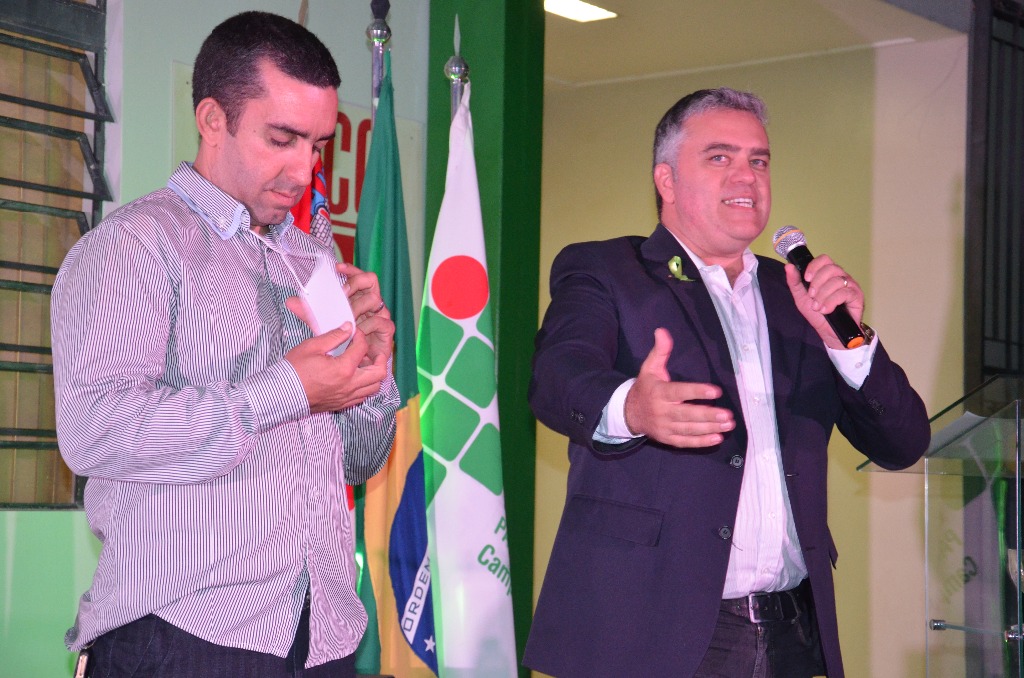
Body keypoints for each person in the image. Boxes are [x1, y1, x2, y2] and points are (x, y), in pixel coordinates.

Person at [523, 87, 930, 678]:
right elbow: (558, 376)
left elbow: (904, 442)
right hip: (651, 630)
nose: (747, 176)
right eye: (720, 157)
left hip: (792, 630)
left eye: (759, 160)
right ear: (666, 180)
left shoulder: (798, 298)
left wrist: (847, 342)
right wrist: (631, 408)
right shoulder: (607, 270)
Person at [51, 12, 398, 677]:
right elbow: (94, 433)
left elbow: (358, 460)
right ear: (213, 119)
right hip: (183, 636)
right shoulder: (134, 247)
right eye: (282, 139)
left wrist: (373, 373)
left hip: (323, 636)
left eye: (318, 146)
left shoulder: (312, 262)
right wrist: (286, 390)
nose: (303, 170)